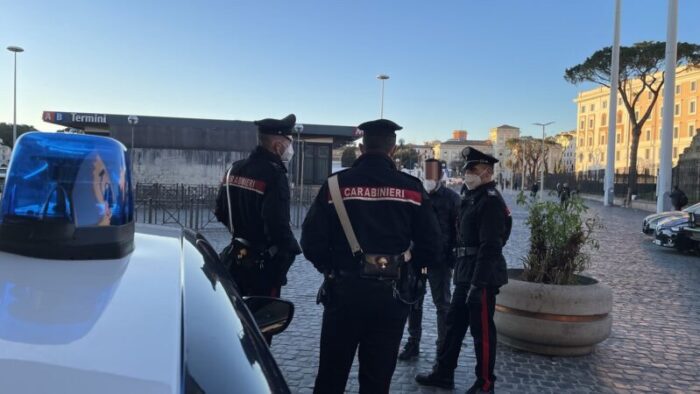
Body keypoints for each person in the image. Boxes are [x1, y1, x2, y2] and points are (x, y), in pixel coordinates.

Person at [301, 119, 441, 394]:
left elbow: (311, 241)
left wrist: (331, 267)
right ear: (393, 151)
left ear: (362, 148)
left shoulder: (335, 186)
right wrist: (409, 267)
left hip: (344, 293)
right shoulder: (411, 189)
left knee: (330, 377)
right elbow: (433, 246)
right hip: (391, 297)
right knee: (377, 381)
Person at [416, 146, 511, 394]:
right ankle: (444, 372)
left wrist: (477, 285)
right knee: (453, 324)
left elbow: (491, 246)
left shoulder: (490, 200)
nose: (467, 173)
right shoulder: (471, 196)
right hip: (465, 271)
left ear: (488, 172)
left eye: (473, 169)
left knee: (482, 331)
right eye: (467, 168)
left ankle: (485, 382)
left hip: (482, 275)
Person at [214, 114, 301, 304]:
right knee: (261, 323)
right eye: (289, 143)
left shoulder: (234, 169)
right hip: (263, 267)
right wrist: (289, 252)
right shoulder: (275, 175)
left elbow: (220, 211)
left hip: (235, 257)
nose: (290, 148)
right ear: (277, 145)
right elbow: (277, 225)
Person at [398, 159, 460, 361]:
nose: (429, 180)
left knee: (442, 304)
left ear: (441, 176)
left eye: (432, 176)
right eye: (426, 176)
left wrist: (452, 259)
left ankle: (442, 347)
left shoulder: (452, 199)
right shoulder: (416, 196)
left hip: (440, 262)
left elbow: (458, 232)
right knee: (414, 302)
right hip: (416, 260)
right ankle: (413, 342)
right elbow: (406, 225)